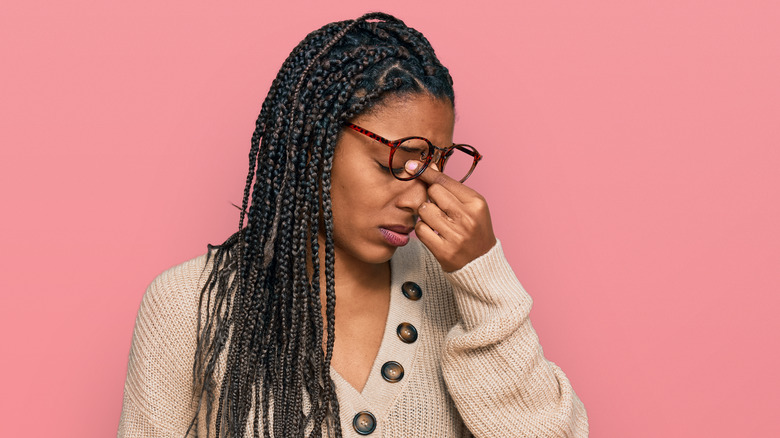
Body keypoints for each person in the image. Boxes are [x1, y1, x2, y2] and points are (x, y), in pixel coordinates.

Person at [118, 12, 589, 438]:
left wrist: (484, 278)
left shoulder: (458, 296)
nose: (417, 196)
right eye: (396, 164)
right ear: (311, 144)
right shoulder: (188, 306)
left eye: (433, 167)